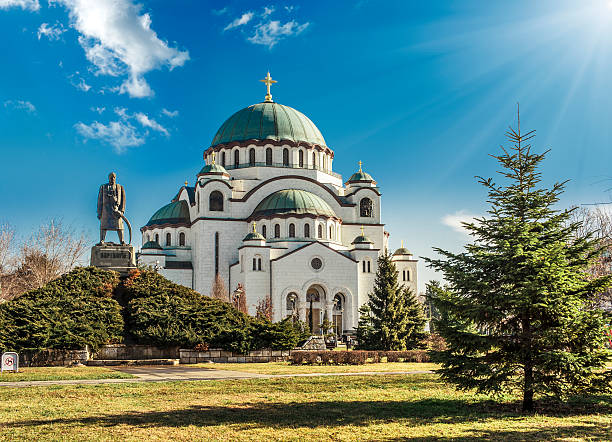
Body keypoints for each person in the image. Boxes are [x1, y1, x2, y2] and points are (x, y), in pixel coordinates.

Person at [97, 172, 126, 244]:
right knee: (104, 225)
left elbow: (123, 200)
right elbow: (100, 200)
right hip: (106, 210)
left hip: (116, 210)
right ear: (108, 178)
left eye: (113, 177)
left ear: (115, 178)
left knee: (119, 226)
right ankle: (102, 240)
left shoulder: (120, 187)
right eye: (111, 177)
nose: (112, 179)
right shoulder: (103, 187)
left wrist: (122, 211)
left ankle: (122, 241)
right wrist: (99, 212)